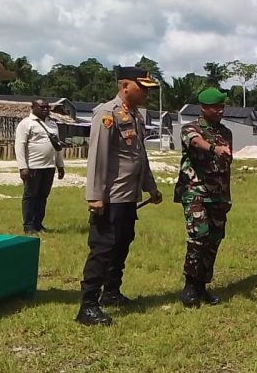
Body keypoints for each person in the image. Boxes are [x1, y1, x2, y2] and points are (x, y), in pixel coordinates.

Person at [76, 66, 163, 326]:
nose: (146, 92)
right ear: (125, 86)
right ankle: (88, 305)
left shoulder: (134, 116)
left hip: (128, 196)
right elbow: (97, 157)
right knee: (103, 248)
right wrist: (94, 196)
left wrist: (150, 186)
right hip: (110, 196)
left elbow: (139, 157)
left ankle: (111, 292)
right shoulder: (107, 114)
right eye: (142, 87)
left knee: (122, 243)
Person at [175, 88, 233, 307]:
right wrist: (214, 149)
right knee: (199, 237)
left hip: (218, 196)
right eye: (215, 107)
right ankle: (190, 285)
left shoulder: (226, 132)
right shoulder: (191, 128)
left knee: (213, 241)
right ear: (203, 108)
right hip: (196, 192)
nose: (220, 111)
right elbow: (196, 142)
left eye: (222, 107)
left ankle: (202, 285)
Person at [14, 99, 65, 234]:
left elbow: (57, 146)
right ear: (33, 107)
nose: (45, 109)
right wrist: (22, 167)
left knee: (43, 196)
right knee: (31, 196)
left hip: (49, 166)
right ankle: (29, 225)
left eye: (47, 107)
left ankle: (38, 223)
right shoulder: (26, 124)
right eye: (42, 107)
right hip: (33, 166)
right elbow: (19, 146)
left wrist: (60, 165)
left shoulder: (53, 123)